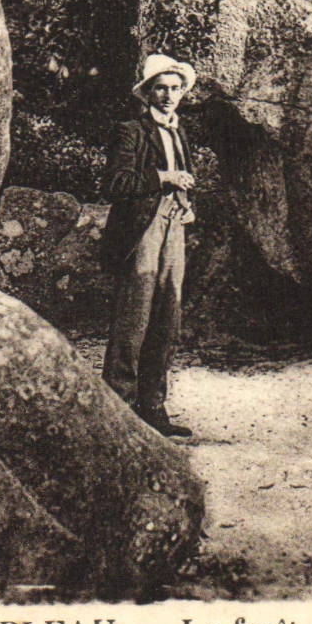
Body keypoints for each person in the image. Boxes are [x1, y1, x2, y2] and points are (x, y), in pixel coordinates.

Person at [99, 53, 199, 437]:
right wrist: (164, 177)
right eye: (161, 88)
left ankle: (153, 407)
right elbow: (116, 184)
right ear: (147, 93)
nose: (168, 95)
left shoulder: (179, 129)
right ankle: (119, 410)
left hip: (173, 227)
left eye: (175, 88)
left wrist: (187, 204)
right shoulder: (131, 131)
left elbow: (186, 176)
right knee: (134, 318)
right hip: (140, 230)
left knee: (167, 317)